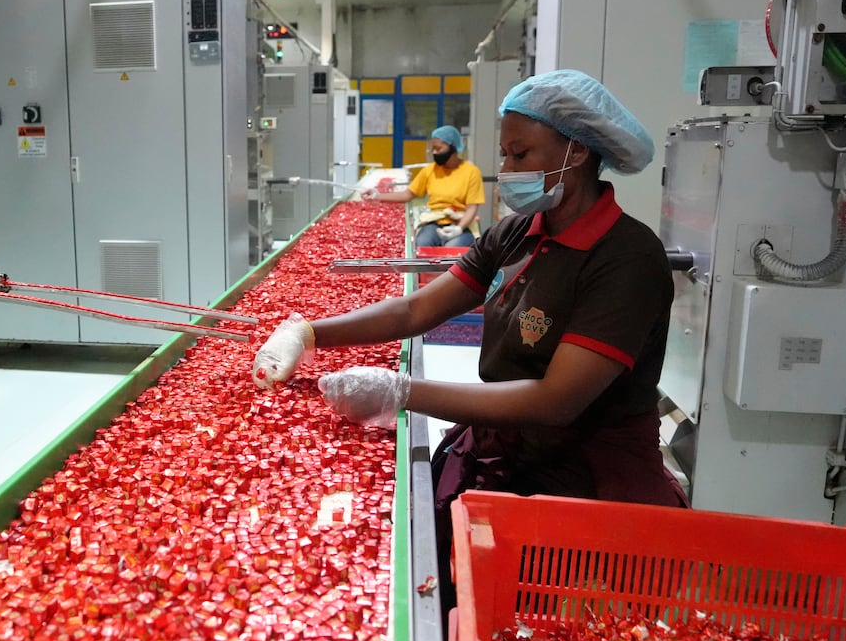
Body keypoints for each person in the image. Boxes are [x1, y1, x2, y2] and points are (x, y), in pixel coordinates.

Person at [253, 70, 686, 609]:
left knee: (554, 625)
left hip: (587, 486)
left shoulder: (626, 258)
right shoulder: (514, 235)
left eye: (520, 155)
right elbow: (417, 308)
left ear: (575, 152)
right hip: (506, 456)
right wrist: (311, 332)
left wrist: (401, 392)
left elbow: (556, 401)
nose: (505, 172)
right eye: (504, 155)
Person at [362, 125, 483, 248]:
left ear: (453, 147)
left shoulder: (471, 172)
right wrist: (378, 195)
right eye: (433, 149)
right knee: (422, 244)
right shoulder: (430, 171)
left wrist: (458, 228)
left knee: (452, 248)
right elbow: (408, 194)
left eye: (439, 148)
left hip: (462, 223)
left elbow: (471, 208)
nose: (435, 153)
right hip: (434, 223)